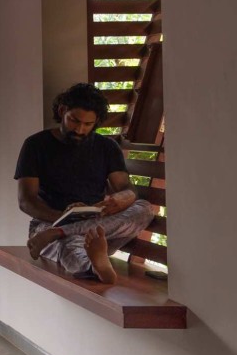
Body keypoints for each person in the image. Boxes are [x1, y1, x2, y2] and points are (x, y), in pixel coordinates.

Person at [14, 83, 153, 284]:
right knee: (67, 247)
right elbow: (26, 201)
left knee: (145, 208)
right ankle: (94, 266)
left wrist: (124, 198)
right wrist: (62, 218)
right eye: (74, 121)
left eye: (88, 125)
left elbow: (126, 188)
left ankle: (62, 236)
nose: (80, 129)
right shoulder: (36, 145)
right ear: (62, 111)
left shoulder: (107, 147)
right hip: (49, 222)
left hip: (97, 224)